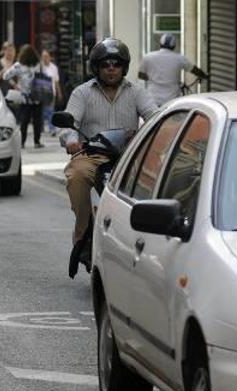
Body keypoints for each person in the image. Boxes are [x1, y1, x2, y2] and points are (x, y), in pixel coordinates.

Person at [61, 38, 157, 269]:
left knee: (157, 183)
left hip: (129, 155)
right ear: (96, 68)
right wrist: (72, 141)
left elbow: (153, 116)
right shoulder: (82, 93)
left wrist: (154, 132)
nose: (111, 68)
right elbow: (67, 124)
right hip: (91, 154)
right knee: (76, 176)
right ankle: (83, 234)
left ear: (124, 67)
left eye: (116, 63)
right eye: (105, 64)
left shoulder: (136, 92)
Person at [138, 34, 206, 107]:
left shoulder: (148, 57)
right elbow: (194, 69)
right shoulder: (179, 58)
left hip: (153, 98)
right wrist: (204, 75)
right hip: (172, 100)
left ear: (160, 44)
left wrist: (153, 78)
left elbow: (141, 75)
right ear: (174, 46)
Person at [3, 45, 44, 149]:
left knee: (24, 121)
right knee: (37, 121)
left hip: (25, 98)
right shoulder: (38, 64)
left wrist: (14, 84)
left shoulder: (18, 66)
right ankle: (37, 141)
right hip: (37, 97)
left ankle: (22, 142)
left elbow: (5, 76)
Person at [40, 49, 62, 136]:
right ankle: (40, 127)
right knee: (41, 112)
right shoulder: (39, 67)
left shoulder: (54, 68)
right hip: (40, 93)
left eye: (46, 56)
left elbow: (56, 81)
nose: (45, 58)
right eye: (43, 57)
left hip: (50, 93)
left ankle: (52, 129)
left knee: (50, 111)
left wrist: (59, 92)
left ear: (49, 57)